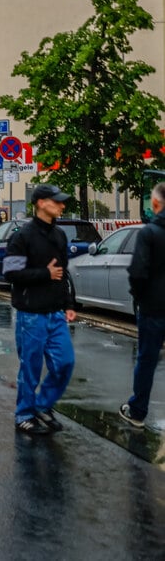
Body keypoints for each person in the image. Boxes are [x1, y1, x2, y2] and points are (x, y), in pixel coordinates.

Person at [3, 184, 76, 435]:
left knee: (65, 362)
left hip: (56, 313)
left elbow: (63, 273)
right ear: (41, 203)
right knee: (31, 368)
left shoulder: (59, 236)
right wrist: (45, 273)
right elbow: (10, 272)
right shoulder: (22, 236)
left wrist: (68, 304)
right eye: (57, 201)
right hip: (30, 314)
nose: (62, 205)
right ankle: (24, 415)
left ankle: (42, 405)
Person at [119, 182, 165, 428]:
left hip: (153, 308)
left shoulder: (148, 233)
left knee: (147, 360)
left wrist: (139, 297)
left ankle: (137, 411)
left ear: (155, 204)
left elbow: (137, 273)